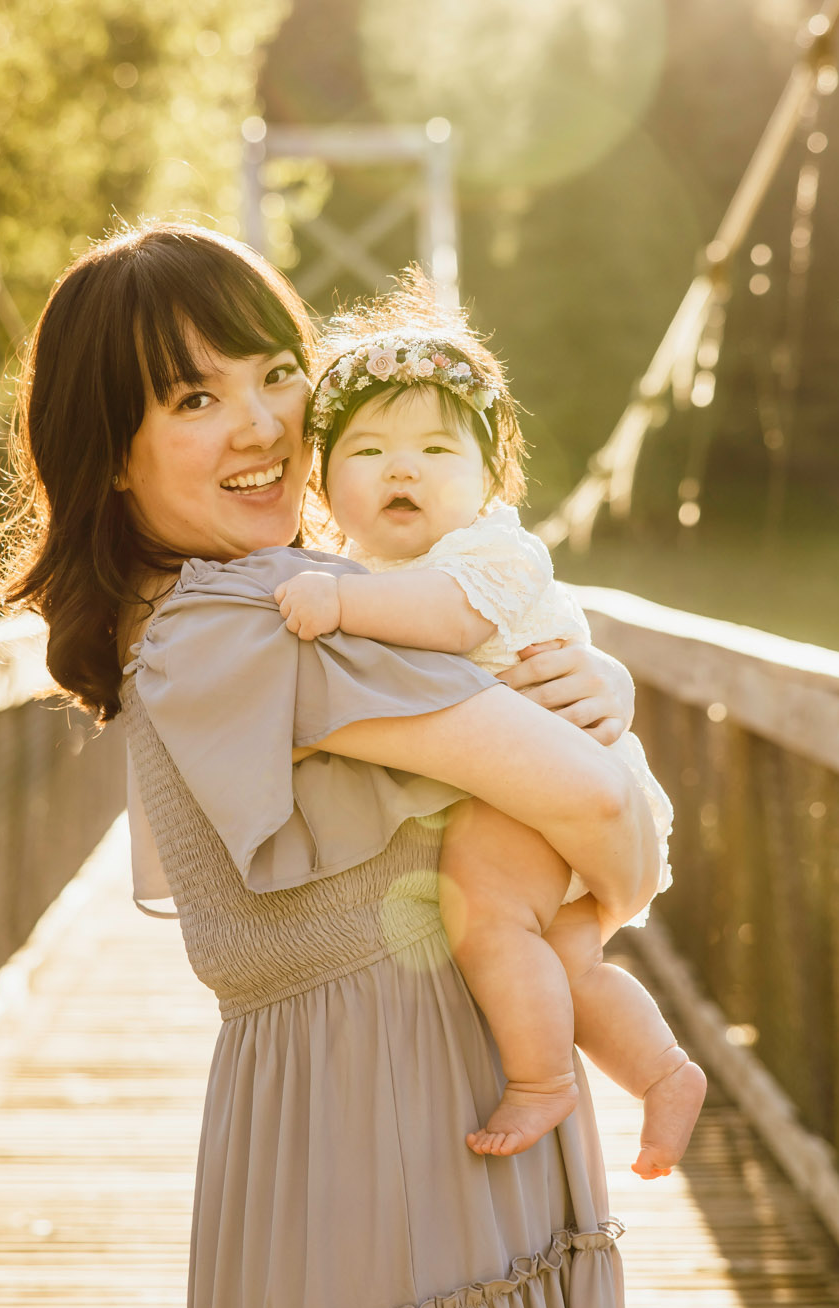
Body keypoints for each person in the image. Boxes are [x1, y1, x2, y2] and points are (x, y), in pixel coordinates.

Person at [0, 220, 658, 1308]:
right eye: (192, 399)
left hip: (383, 1103)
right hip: (396, 1117)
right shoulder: (248, 622)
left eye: (278, 373)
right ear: (110, 448)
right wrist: (605, 777)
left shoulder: (300, 594)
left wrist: (589, 683)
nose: (261, 427)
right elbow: (598, 814)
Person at [271, 280, 705, 1179]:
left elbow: (450, 619)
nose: (405, 469)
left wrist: (342, 602)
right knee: (569, 965)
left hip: (542, 783)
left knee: (487, 921)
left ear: (490, 484)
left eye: (437, 449)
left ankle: (544, 1079)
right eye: (370, 450)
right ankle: (664, 1074)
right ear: (321, 488)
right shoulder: (349, 565)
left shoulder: (489, 552)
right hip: (547, 787)